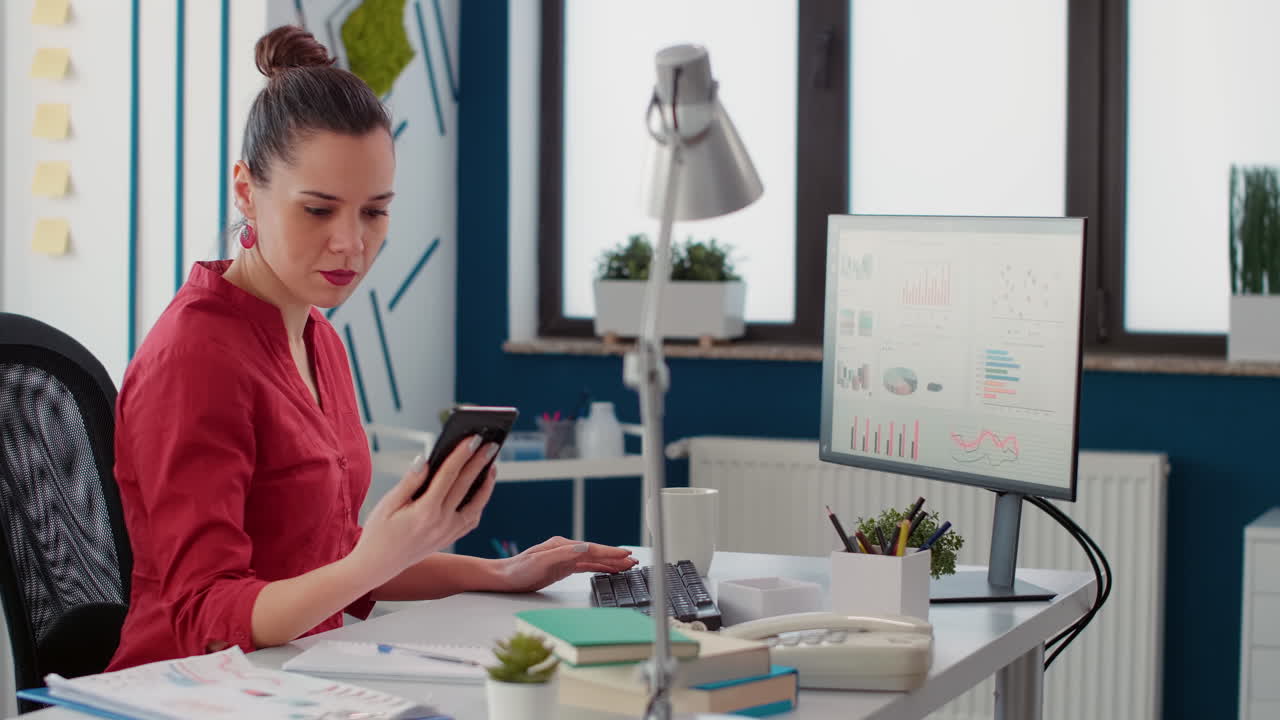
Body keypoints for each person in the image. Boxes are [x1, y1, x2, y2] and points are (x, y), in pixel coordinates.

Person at [107, 25, 636, 670]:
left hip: (299, 673)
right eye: (318, 211)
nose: (351, 244)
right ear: (247, 191)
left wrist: (495, 572)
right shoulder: (194, 359)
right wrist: (375, 558)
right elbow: (206, 618)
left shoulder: (317, 336)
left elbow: (328, 559)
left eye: (374, 212)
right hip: (187, 691)